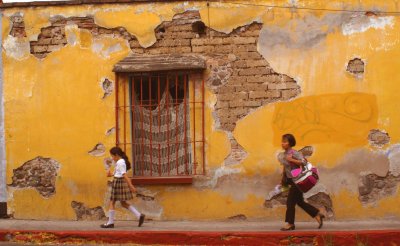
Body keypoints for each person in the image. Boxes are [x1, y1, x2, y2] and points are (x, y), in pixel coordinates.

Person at [278, 134, 324, 231]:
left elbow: (304, 162)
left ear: (290, 143)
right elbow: (286, 167)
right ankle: (317, 214)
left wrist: (292, 160)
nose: (283, 143)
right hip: (291, 180)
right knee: (299, 202)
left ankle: (290, 224)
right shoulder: (284, 154)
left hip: (298, 180)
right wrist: (283, 177)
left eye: (285, 141)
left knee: (290, 202)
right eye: (282, 141)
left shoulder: (294, 153)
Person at [101, 147, 145, 228]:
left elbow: (124, 175)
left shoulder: (121, 162)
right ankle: (139, 215)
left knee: (112, 202)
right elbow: (119, 173)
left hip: (118, 182)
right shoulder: (120, 162)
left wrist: (131, 186)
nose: (112, 158)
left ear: (117, 155)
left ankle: (110, 223)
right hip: (119, 181)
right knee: (123, 203)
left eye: (112, 156)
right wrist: (110, 174)